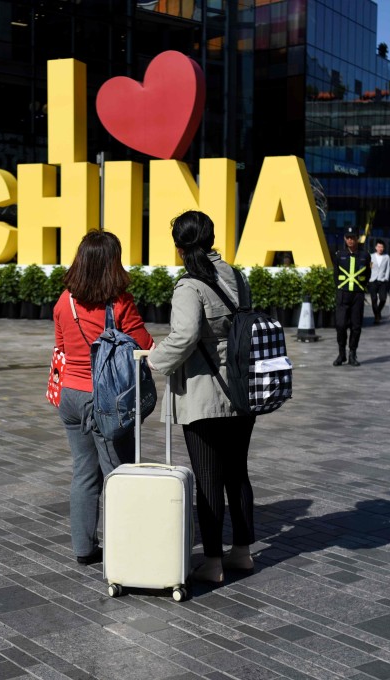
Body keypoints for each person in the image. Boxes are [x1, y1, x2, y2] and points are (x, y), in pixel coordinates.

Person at [147, 210, 255, 583]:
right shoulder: (237, 277)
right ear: (210, 240)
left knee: (208, 478)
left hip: (204, 395)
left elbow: (185, 336)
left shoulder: (189, 286)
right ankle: (241, 553)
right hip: (242, 390)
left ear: (180, 247)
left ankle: (211, 562)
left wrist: (152, 362)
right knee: (237, 473)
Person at [54, 231, 152, 566]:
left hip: (69, 395)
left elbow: (63, 349)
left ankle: (84, 548)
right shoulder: (120, 303)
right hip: (106, 401)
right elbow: (145, 346)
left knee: (83, 471)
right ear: (112, 263)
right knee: (118, 473)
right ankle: (125, 549)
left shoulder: (63, 301)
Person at [332, 225, 371, 367]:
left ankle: (352, 354)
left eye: (353, 238)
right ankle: (341, 353)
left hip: (357, 295)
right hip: (343, 294)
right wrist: (339, 289)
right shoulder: (339, 255)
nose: (350, 240)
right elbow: (335, 275)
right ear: (345, 239)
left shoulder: (365, 255)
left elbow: (367, 275)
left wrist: (361, 288)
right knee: (340, 325)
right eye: (348, 238)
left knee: (356, 326)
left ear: (357, 238)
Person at [368, 239, 390, 324]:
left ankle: (378, 311)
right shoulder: (371, 256)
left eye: (382, 247)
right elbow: (369, 268)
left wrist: (386, 278)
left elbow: (388, 268)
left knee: (383, 299)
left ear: (384, 248)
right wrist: (369, 279)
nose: (380, 248)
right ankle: (376, 317)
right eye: (379, 246)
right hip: (373, 280)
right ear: (376, 247)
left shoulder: (386, 257)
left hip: (382, 280)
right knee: (374, 299)